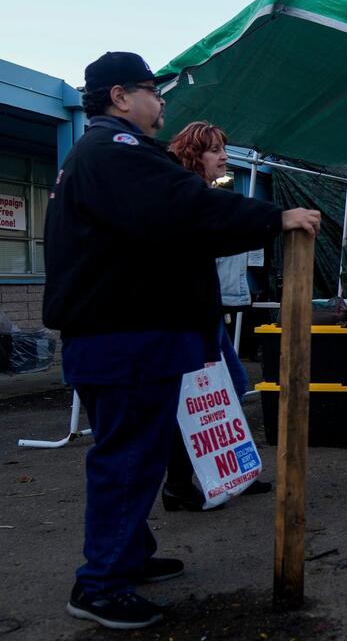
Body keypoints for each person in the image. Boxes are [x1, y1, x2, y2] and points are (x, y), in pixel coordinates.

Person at [43, 52, 321, 630]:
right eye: (152, 90)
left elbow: (165, 230)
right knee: (128, 459)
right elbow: (187, 209)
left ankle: (128, 557)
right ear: (120, 96)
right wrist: (276, 217)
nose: (161, 101)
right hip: (126, 337)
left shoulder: (97, 156)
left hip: (122, 335)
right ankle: (100, 585)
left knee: (134, 453)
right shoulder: (117, 155)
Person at [161, 121, 272, 511]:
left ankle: (224, 473)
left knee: (230, 386)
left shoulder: (198, 194)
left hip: (205, 313)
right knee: (193, 398)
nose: (224, 156)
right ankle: (178, 483)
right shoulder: (181, 195)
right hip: (184, 318)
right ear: (194, 155)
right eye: (214, 150)